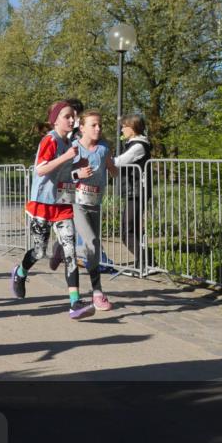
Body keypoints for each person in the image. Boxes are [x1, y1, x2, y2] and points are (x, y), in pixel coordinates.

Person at [11, 101, 92, 319]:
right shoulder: (50, 140)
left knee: (70, 251)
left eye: (74, 117)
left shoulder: (72, 142)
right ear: (55, 120)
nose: (72, 120)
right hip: (42, 203)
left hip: (63, 202)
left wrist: (78, 172)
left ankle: (75, 302)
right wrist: (66, 158)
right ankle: (20, 272)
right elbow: (41, 170)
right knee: (39, 251)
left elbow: (65, 174)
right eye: (67, 117)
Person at [72, 109, 118, 311]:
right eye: (93, 125)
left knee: (94, 245)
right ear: (82, 127)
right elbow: (62, 175)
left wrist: (128, 176)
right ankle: (97, 292)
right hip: (76, 202)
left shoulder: (103, 148)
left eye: (100, 125)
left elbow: (111, 168)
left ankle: (59, 248)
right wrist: (77, 173)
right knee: (91, 242)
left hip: (96, 202)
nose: (98, 128)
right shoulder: (73, 148)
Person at [49, 97, 85, 272]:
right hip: (63, 183)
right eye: (67, 115)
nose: (71, 118)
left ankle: (61, 250)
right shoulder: (64, 133)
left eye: (72, 114)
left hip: (72, 183)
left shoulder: (79, 131)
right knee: (65, 221)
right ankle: (59, 249)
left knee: (71, 223)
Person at [115, 114, 152, 271]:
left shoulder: (138, 146)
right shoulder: (133, 144)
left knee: (127, 231)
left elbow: (120, 161)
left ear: (133, 127)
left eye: (124, 126)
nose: (122, 129)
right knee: (133, 230)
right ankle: (143, 263)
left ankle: (147, 261)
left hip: (138, 192)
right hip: (134, 191)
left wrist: (103, 159)